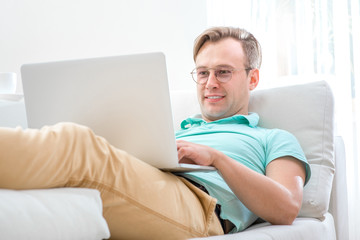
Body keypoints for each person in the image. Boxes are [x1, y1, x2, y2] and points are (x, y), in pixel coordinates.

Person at [0, 27, 310, 239]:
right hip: (147, 184)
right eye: (203, 73)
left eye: (223, 72)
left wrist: (216, 159)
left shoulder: (273, 138)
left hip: (200, 206)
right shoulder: (174, 129)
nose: (210, 83)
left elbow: (285, 208)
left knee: (77, 143)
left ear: (252, 78)